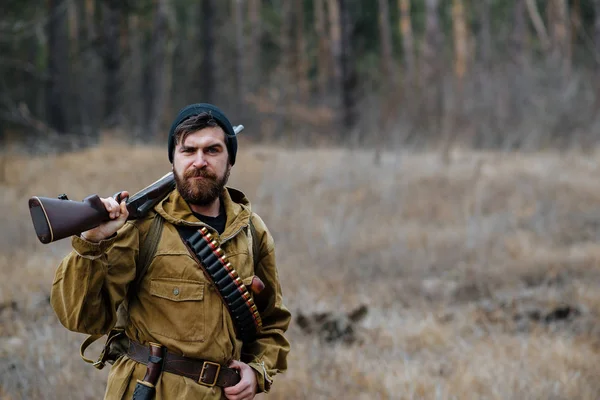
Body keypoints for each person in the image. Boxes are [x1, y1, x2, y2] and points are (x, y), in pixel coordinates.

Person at [50, 103, 291, 400]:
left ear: (230, 161)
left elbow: (272, 323)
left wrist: (257, 371)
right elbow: (82, 319)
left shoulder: (252, 231)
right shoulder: (141, 228)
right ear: (173, 160)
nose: (199, 161)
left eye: (212, 150)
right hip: (150, 390)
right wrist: (91, 244)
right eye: (188, 151)